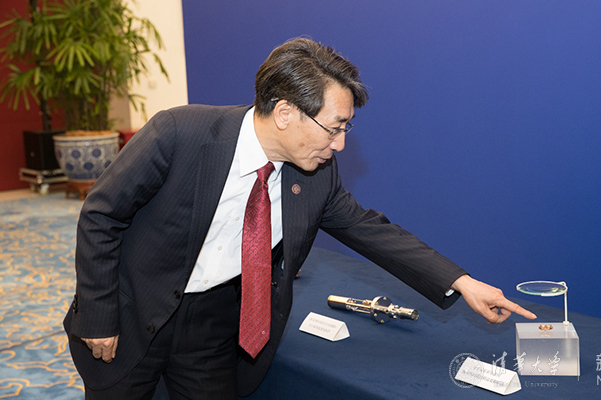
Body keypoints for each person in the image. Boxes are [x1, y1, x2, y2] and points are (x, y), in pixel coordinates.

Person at [63, 37, 536, 399]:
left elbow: (371, 230)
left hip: (213, 325)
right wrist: (99, 316)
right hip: (132, 315)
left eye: (346, 128)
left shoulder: (315, 176)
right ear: (286, 112)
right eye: (334, 127)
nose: (340, 144)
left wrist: (462, 282)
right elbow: (102, 215)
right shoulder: (179, 133)